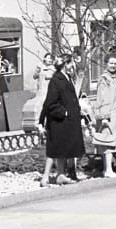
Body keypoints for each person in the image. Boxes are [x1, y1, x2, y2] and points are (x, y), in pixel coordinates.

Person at [37, 51, 84, 187]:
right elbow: (50, 103)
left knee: (62, 149)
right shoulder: (56, 80)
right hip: (58, 122)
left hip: (65, 122)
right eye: (71, 64)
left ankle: (60, 175)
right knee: (54, 151)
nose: (72, 67)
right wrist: (65, 113)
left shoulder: (66, 78)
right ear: (65, 64)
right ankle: (45, 178)